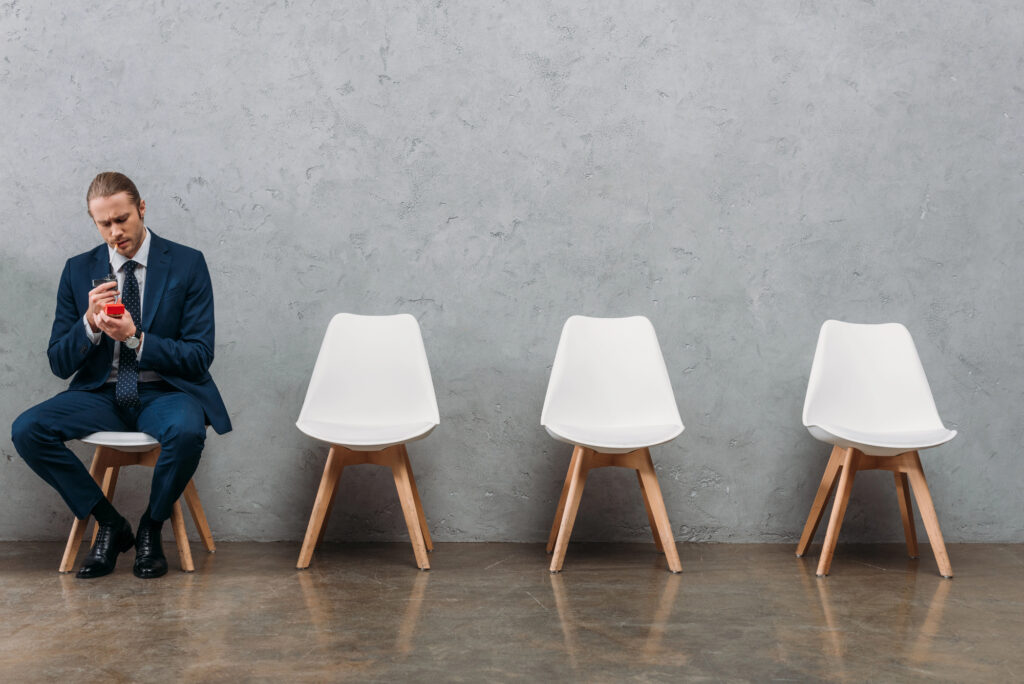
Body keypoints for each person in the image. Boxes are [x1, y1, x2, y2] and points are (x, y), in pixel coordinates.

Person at [11, 171, 231, 579]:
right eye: (104, 224)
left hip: (165, 391)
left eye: (122, 219)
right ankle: (110, 524)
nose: (115, 232)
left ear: (141, 209)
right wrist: (89, 325)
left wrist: (136, 337)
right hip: (101, 394)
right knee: (27, 429)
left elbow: (200, 356)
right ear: (94, 222)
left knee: (186, 432)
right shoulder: (78, 271)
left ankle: (152, 525)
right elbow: (59, 363)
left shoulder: (186, 263)